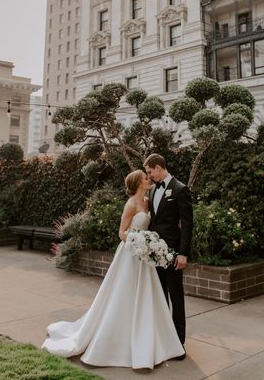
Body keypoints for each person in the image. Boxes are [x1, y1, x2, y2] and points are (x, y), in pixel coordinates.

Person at [42, 170, 185, 369]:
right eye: (145, 177)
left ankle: (150, 336)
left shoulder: (147, 199)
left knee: (147, 295)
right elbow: (121, 232)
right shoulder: (131, 204)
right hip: (130, 254)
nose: (148, 178)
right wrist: (138, 242)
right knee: (123, 294)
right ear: (138, 183)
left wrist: (149, 246)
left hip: (145, 256)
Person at [144, 153, 193, 355]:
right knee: (160, 294)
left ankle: (178, 342)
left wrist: (183, 253)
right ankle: (164, 336)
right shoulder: (154, 189)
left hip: (173, 252)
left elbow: (188, 224)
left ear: (158, 167)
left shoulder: (180, 189)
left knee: (176, 295)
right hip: (155, 252)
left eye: (149, 172)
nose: (149, 177)